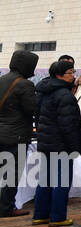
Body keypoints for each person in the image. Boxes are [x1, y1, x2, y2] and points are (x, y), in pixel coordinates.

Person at [31, 60, 81, 227]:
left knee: (45, 180)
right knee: (62, 181)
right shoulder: (64, 95)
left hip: (45, 143)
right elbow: (69, 126)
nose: (73, 76)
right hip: (61, 145)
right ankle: (58, 217)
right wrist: (75, 147)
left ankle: (40, 215)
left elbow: (37, 118)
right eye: (70, 73)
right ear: (59, 75)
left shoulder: (43, 91)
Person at [0, 50, 39, 218]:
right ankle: (6, 208)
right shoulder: (25, 84)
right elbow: (31, 108)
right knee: (12, 174)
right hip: (15, 136)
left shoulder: (2, 80)